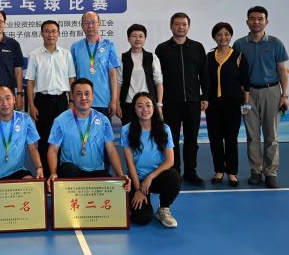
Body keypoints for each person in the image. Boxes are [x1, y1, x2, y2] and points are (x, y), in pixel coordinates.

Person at [233, 6, 289, 188]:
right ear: (247, 21)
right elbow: (236, 72)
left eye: (260, 18)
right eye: (252, 18)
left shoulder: (275, 43)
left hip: (271, 92)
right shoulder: (239, 45)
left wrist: (284, 95)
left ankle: (270, 172)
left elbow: (282, 70)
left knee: (271, 135)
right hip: (248, 94)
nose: (256, 22)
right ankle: (256, 171)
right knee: (252, 135)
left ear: (266, 21)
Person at [46, 78, 129, 192]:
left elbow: (111, 151)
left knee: (116, 190)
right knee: (69, 169)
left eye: (87, 93)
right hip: (71, 172)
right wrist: (53, 173)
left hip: (96, 171)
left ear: (93, 96)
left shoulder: (103, 120)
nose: (83, 97)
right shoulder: (60, 120)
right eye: (78, 94)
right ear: (72, 97)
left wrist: (120, 175)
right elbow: (53, 150)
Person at [155, 12, 209, 185]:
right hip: (171, 102)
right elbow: (157, 78)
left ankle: (191, 171)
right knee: (172, 139)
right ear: (171, 26)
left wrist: (204, 96)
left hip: (193, 101)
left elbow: (204, 74)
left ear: (188, 26)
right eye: (177, 24)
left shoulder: (197, 47)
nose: (181, 27)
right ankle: (174, 170)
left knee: (192, 138)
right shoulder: (162, 49)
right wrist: (159, 102)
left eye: (184, 24)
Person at [121, 92, 181, 228]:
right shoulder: (126, 130)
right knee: (142, 218)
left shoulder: (164, 129)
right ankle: (137, 200)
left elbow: (170, 161)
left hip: (156, 178)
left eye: (148, 105)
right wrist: (138, 190)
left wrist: (151, 177)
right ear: (134, 109)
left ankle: (163, 209)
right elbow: (130, 164)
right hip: (137, 179)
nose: (145, 109)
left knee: (174, 177)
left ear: (154, 108)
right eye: (140, 106)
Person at [25, 19, 75, 176]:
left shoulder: (66, 54)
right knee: (45, 139)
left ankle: (60, 175)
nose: (50, 34)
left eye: (53, 31)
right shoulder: (35, 55)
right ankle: (46, 175)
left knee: (63, 138)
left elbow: (71, 79)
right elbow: (30, 82)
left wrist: (72, 101)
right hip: (42, 101)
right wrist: (31, 105)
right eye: (47, 31)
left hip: (62, 101)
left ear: (58, 34)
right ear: (41, 34)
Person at [206, 22, 250, 187]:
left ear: (231, 36)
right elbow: (206, 81)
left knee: (231, 139)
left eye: (226, 34)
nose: (223, 37)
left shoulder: (239, 56)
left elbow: (245, 83)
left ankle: (232, 172)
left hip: (233, 105)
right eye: (219, 34)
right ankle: (219, 170)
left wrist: (245, 104)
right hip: (213, 105)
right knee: (215, 139)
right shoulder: (209, 56)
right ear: (214, 37)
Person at [0, 85, 43, 181]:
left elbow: (32, 148)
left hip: (17, 171)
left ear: (14, 99)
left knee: (32, 185)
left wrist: (39, 167)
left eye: (8, 98)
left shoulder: (25, 120)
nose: (5, 103)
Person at [70, 11, 120, 117]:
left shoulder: (109, 45)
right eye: (86, 23)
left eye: (93, 22)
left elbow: (112, 74)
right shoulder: (75, 47)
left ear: (99, 23)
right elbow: (72, 76)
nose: (90, 26)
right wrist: (72, 100)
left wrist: (114, 100)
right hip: (81, 100)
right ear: (82, 25)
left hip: (103, 100)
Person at [116, 23, 164, 126]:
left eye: (141, 36)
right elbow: (118, 83)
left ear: (145, 38)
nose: (137, 39)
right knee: (129, 132)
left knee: (150, 131)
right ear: (128, 39)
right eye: (134, 36)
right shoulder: (121, 58)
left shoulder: (152, 57)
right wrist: (117, 103)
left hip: (148, 104)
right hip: (128, 104)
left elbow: (158, 82)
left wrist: (159, 104)